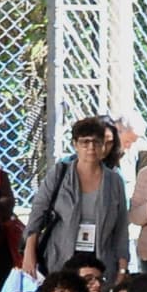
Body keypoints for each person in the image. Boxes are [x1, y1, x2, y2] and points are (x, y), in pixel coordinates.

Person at [26, 115, 127, 279]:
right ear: (75, 145)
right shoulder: (60, 173)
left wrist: (122, 269)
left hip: (101, 258)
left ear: (104, 145)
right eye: (85, 142)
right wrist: (29, 255)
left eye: (96, 142)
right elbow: (37, 213)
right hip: (61, 255)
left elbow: (121, 227)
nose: (91, 147)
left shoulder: (114, 181)